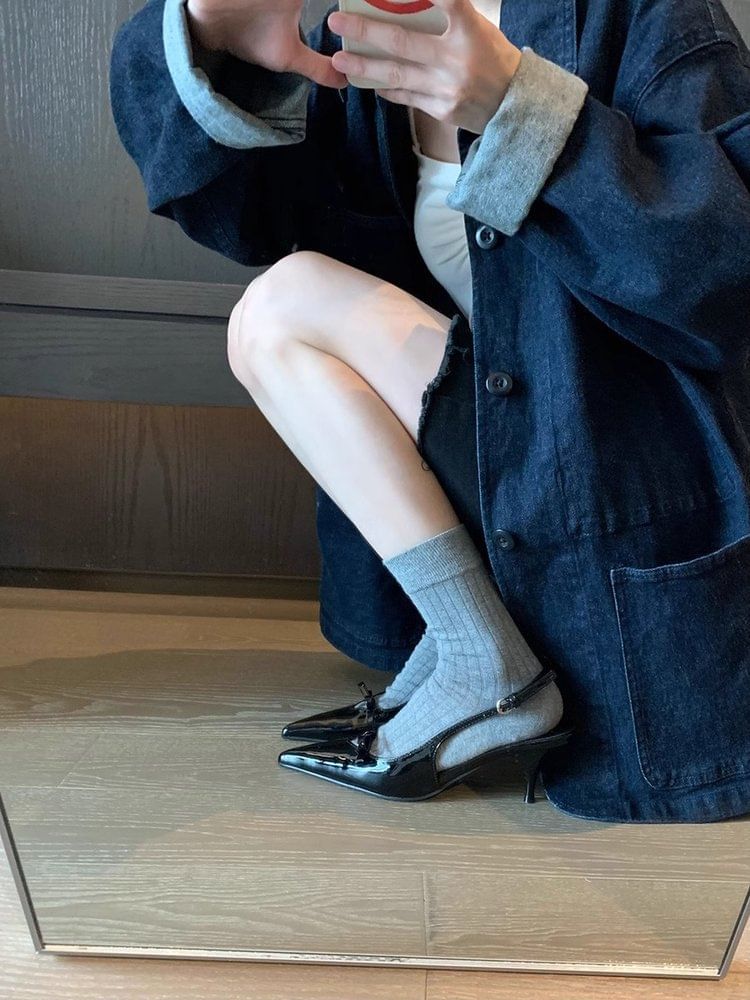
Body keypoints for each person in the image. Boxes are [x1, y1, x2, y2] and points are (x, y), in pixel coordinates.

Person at [109, 0, 750, 822]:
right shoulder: (358, 33)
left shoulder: (636, 15)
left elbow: (727, 278)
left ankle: (490, 669)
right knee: (272, 317)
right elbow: (248, 217)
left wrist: (519, 109)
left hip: (630, 487)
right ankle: (472, 644)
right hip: (517, 473)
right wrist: (212, 34)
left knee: (284, 306)